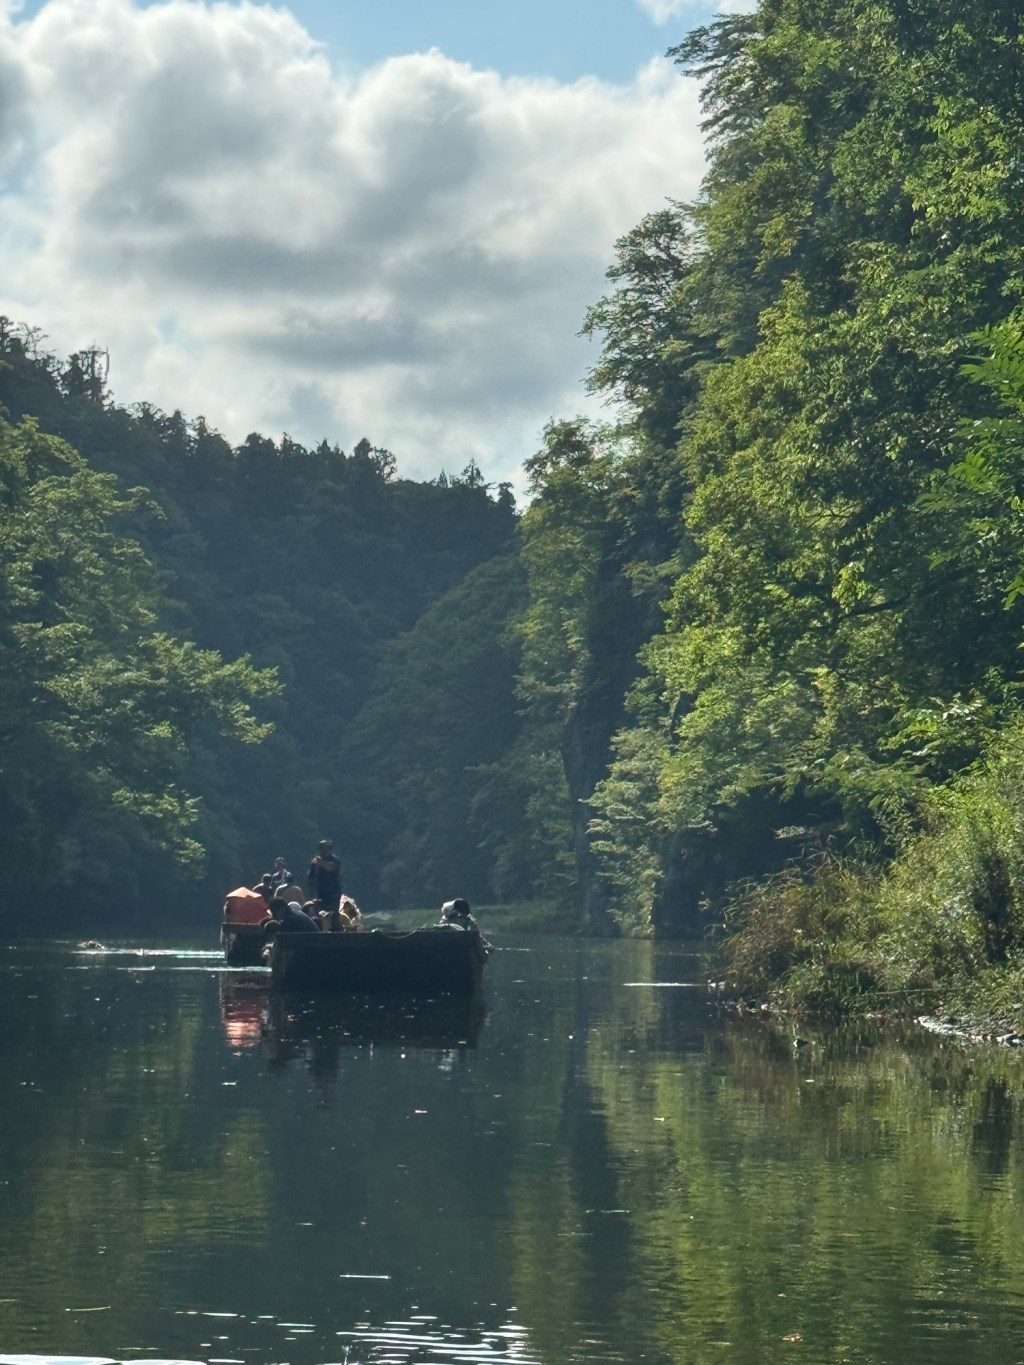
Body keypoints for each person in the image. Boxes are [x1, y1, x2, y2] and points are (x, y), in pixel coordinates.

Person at [308, 839, 343, 911]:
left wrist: (321, 862)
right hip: (320, 893)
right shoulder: (315, 861)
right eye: (322, 848)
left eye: (327, 848)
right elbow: (311, 877)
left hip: (333, 893)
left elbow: (331, 868)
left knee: (333, 914)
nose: (325, 851)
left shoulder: (335, 860)